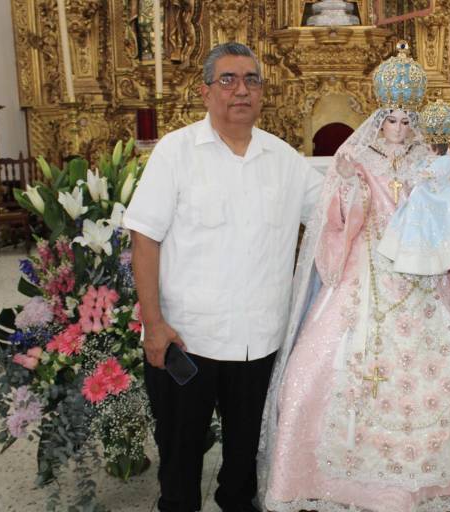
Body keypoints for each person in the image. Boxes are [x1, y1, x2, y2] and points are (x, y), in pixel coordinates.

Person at [258, 43, 450, 512]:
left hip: (422, 279)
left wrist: (436, 197)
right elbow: (337, 226)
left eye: (409, 121)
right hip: (364, 276)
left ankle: (427, 483)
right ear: (379, 118)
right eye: (392, 119)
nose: (400, 129)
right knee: (314, 372)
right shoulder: (358, 158)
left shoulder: (430, 162)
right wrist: (349, 189)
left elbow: (449, 223)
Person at [124, 42, 323, 512]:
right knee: (179, 465)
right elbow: (145, 239)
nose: (241, 90)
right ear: (205, 91)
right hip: (188, 339)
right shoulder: (176, 152)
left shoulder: (285, 160)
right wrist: (153, 324)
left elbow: (338, 214)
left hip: (259, 344)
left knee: (243, 469)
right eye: (228, 80)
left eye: (252, 80)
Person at [378, 99, 450, 276]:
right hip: (423, 192)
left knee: (441, 217)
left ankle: (446, 257)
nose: (398, 129)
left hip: (439, 194)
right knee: (409, 215)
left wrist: (423, 174)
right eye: (392, 121)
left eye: (405, 122)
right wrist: (415, 173)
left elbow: (437, 172)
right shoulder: (425, 158)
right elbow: (417, 169)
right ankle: (408, 253)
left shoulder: (445, 160)